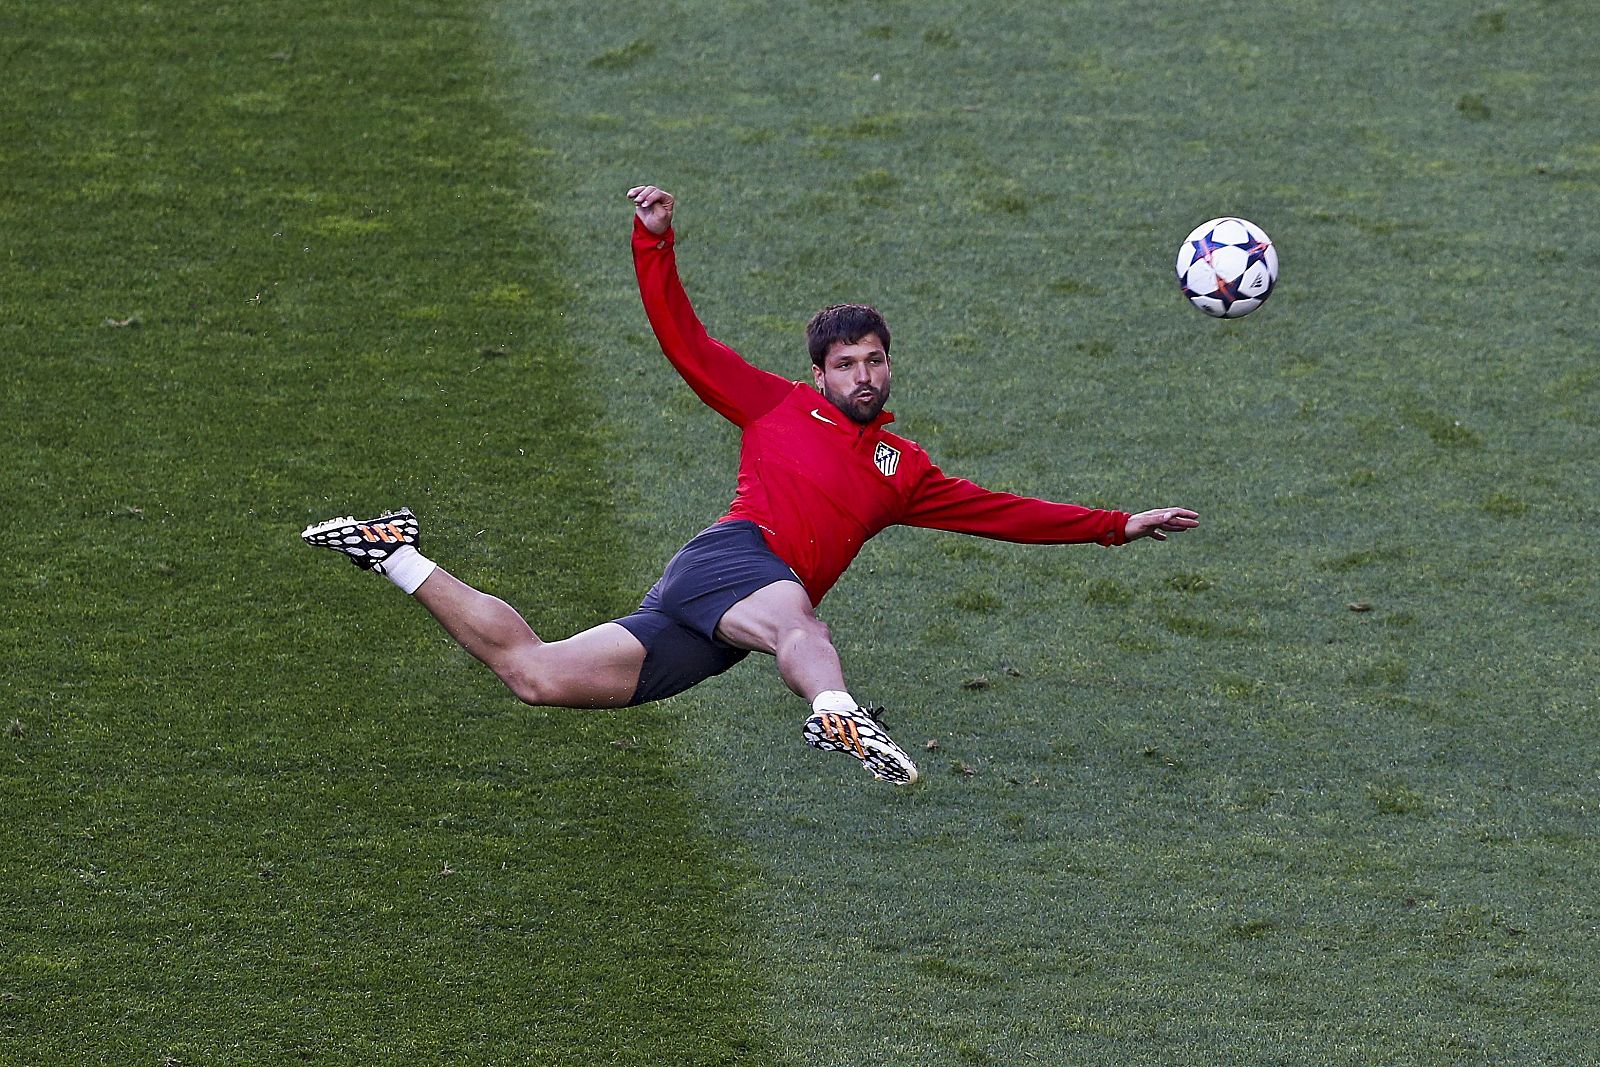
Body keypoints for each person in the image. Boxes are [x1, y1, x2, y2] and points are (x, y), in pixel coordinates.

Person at [302, 184, 1199, 785]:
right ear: (818, 374)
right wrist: (654, 245)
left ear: (890, 369)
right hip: (734, 562)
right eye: (845, 363)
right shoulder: (774, 406)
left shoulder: (905, 471)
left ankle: (396, 555)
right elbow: (686, 343)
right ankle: (838, 711)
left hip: (712, 623)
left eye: (875, 361)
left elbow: (1004, 515)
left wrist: (1120, 525)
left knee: (535, 675)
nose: (862, 375)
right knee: (800, 621)